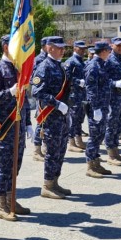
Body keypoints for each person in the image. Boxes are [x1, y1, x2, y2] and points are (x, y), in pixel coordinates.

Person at [0, 34, 33, 221]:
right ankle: (1, 204)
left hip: (18, 126)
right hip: (5, 126)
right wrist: (8, 92)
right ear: (6, 47)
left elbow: (25, 99)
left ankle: (11, 198)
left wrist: (28, 122)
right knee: (4, 166)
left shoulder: (19, 69)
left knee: (16, 164)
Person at [32, 36, 72, 199]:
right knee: (52, 151)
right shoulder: (44, 67)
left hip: (62, 116)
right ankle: (47, 185)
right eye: (59, 48)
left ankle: (55, 182)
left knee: (61, 150)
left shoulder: (60, 66)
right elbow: (37, 92)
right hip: (51, 116)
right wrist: (56, 104)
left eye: (63, 48)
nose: (63, 50)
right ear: (50, 48)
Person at [84, 41, 113, 178]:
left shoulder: (102, 64)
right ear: (103, 51)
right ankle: (90, 165)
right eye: (108, 50)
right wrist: (95, 108)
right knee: (94, 136)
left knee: (100, 135)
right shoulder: (93, 65)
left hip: (103, 106)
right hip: (96, 107)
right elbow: (91, 89)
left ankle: (96, 162)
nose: (110, 53)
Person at [104, 37, 121, 165]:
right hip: (112, 98)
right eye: (118, 45)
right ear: (112, 46)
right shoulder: (109, 60)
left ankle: (116, 151)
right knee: (111, 126)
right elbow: (103, 80)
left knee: (118, 126)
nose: (120, 47)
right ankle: (110, 154)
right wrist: (115, 83)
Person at [64, 40, 88, 153]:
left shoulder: (81, 61)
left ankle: (78, 139)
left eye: (84, 49)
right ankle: (71, 142)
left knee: (79, 118)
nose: (83, 50)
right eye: (80, 48)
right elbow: (66, 78)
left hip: (81, 94)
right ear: (75, 48)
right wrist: (78, 82)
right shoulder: (71, 62)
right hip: (73, 94)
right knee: (73, 118)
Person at [31, 37, 51, 161]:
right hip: (42, 95)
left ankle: (45, 146)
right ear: (44, 46)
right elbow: (33, 79)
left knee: (48, 122)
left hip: (51, 96)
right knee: (41, 121)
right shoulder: (38, 60)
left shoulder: (49, 59)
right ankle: (37, 150)